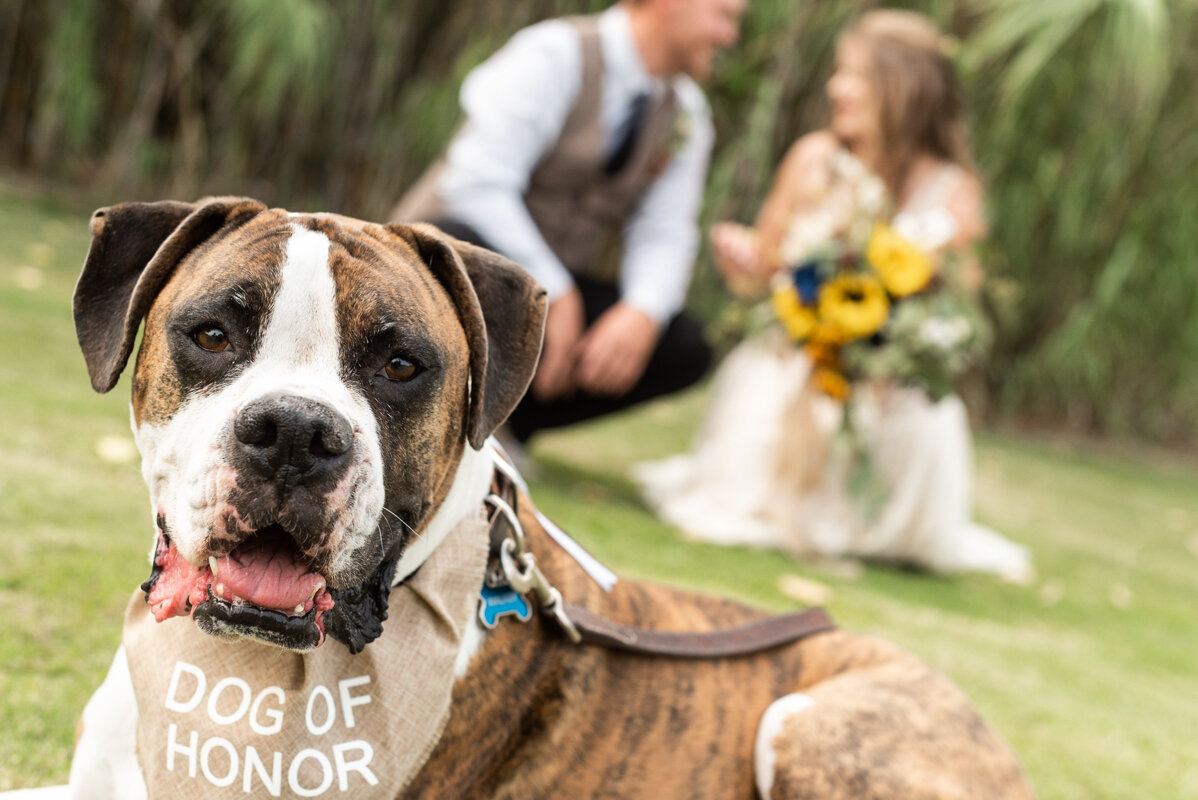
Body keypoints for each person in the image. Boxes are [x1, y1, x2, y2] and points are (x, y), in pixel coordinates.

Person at [637, 9, 1033, 581]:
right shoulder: (814, 160)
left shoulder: (954, 192)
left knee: (923, 409)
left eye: (854, 76)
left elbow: (954, 313)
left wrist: (890, 334)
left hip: (884, 372)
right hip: (797, 356)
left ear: (902, 90)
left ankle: (880, 521)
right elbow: (763, 273)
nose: (835, 88)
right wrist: (745, 260)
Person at [394, 0, 746, 444]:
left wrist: (643, 312)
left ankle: (503, 421)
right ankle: (435, 406)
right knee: (457, 250)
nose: (729, 36)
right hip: (434, 269)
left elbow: (665, 231)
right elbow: (474, 184)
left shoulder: (687, 112)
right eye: (724, 16)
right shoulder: (555, 54)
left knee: (682, 343)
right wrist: (555, 291)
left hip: (548, 293)